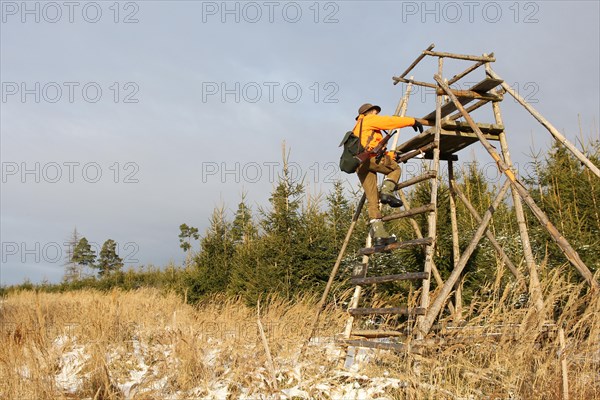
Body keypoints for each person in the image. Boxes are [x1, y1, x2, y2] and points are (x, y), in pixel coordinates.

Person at [353, 103, 423, 246]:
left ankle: (380, 236)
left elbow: (372, 145)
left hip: (359, 164)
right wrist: (413, 121)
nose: (377, 114)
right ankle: (387, 192)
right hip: (370, 158)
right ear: (369, 112)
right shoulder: (368, 119)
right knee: (395, 169)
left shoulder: (357, 129)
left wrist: (390, 155)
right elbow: (390, 121)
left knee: (372, 200)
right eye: (375, 111)